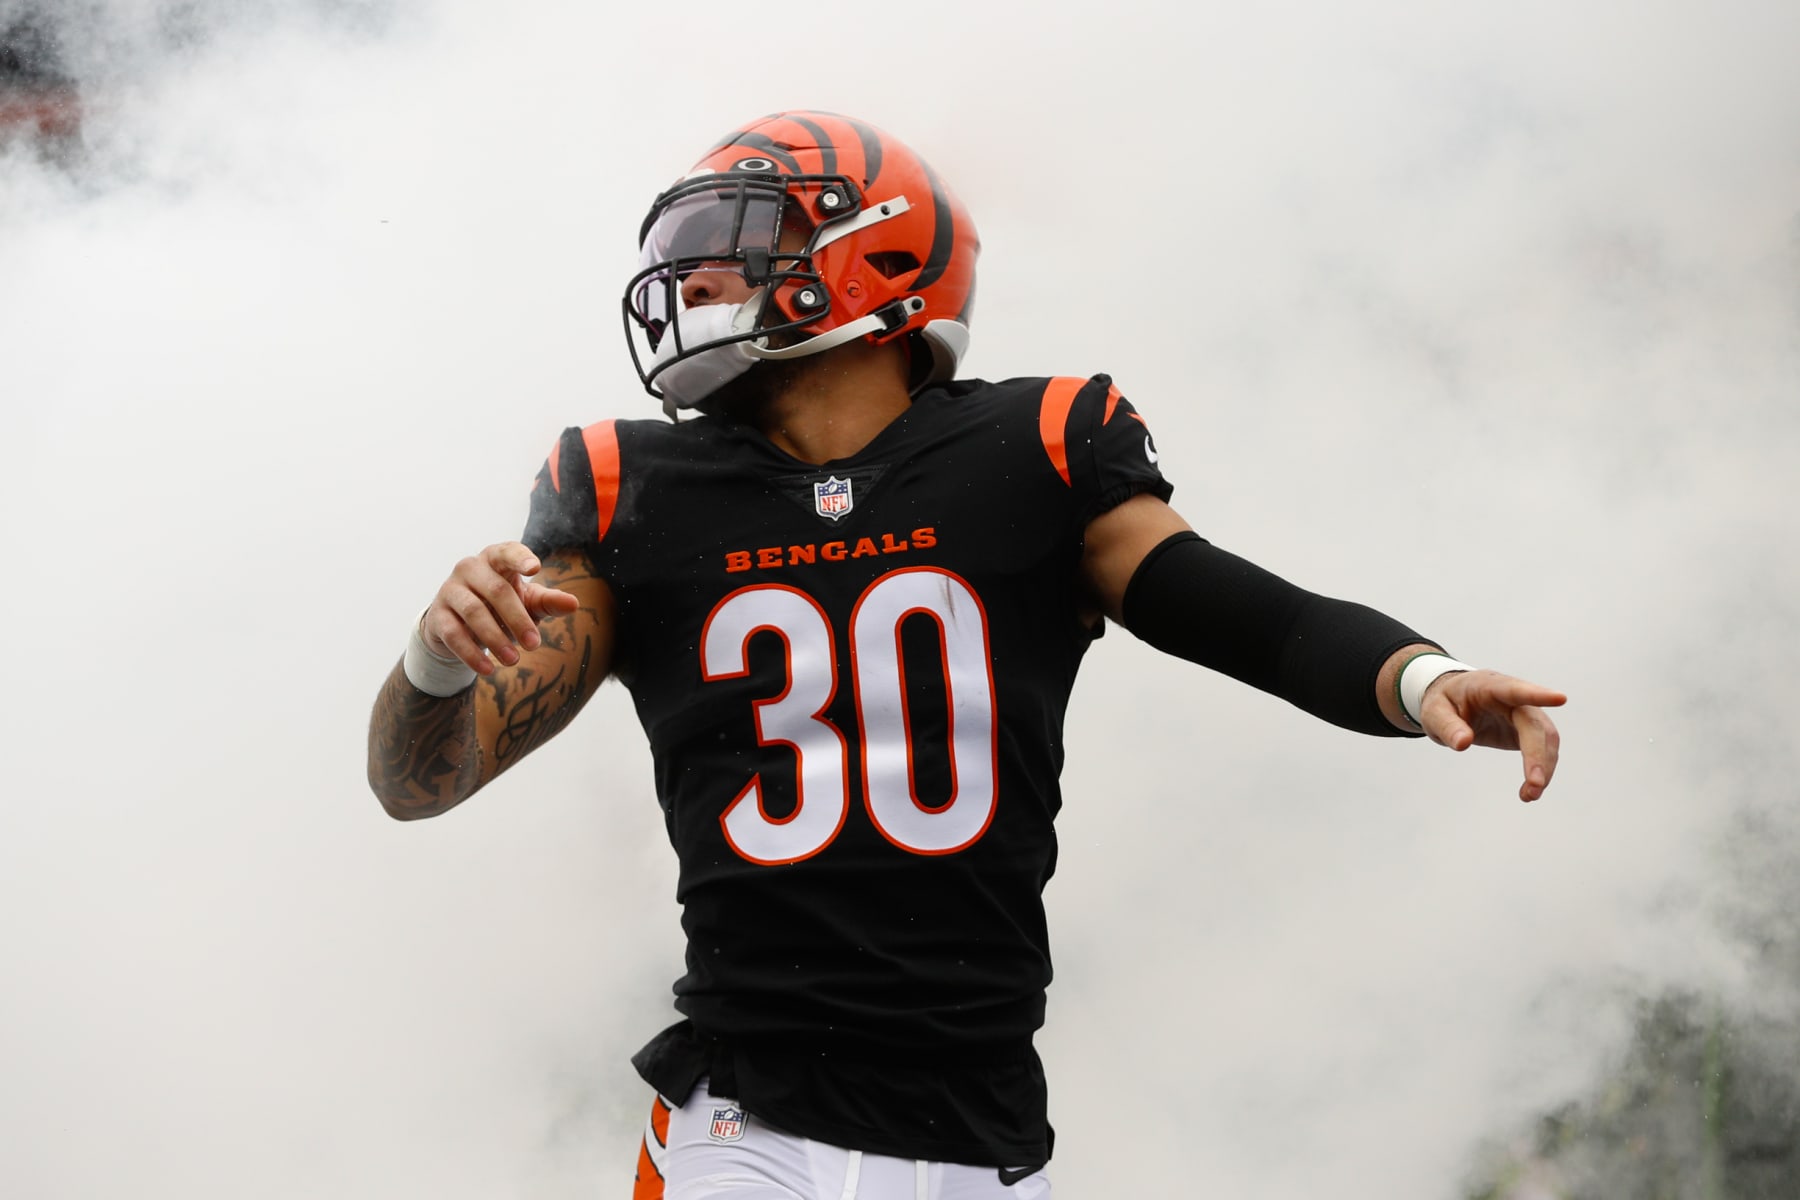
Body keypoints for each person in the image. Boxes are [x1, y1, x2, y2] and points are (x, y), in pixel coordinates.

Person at [366, 111, 1565, 1199]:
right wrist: (437, 658)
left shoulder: (1034, 447)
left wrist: (1422, 677)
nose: (697, 275)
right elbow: (422, 781)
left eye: (739, 235)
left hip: (980, 1137)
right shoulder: (631, 485)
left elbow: (1256, 619)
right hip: (743, 1125)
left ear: (877, 253)